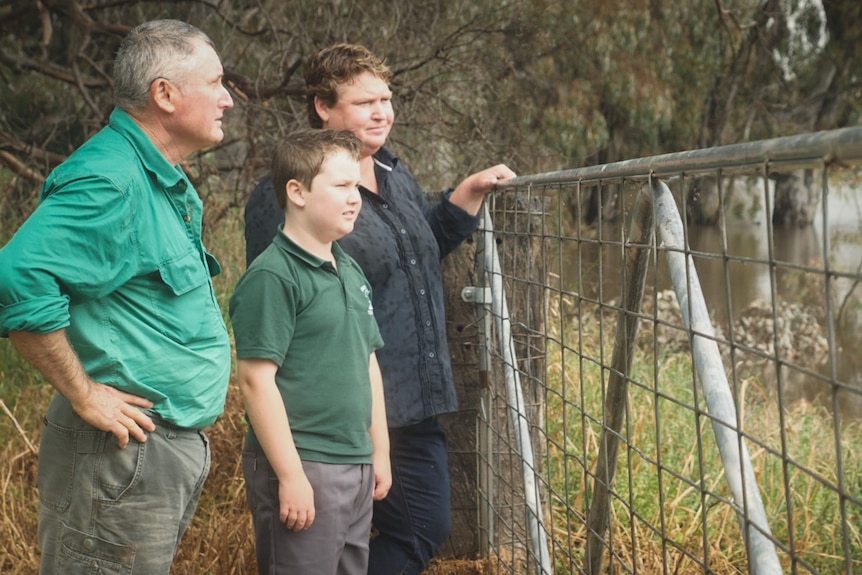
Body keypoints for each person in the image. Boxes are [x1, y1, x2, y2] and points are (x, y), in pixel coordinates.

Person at [243, 43, 516, 574]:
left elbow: (417, 252)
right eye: (366, 101)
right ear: (323, 106)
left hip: (411, 399)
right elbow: (282, 306)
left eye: (387, 99)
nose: (382, 111)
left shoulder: (391, 171)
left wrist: (463, 198)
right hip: (338, 415)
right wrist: (297, 454)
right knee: (335, 545)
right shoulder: (287, 195)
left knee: (418, 527)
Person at [0, 20, 234, 575]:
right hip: (121, 457)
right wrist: (84, 394)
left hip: (151, 456)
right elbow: (16, 274)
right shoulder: (113, 180)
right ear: (165, 94)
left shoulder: (155, 177)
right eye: (217, 82)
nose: (228, 98)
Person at [229, 128, 390, 574]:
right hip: (305, 462)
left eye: (356, 185)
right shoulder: (273, 277)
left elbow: (367, 361)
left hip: (355, 462)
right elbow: (255, 380)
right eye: (341, 186)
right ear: (297, 192)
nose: (354, 196)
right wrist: (291, 475)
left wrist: (380, 451)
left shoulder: (350, 269)